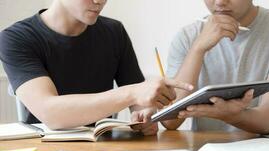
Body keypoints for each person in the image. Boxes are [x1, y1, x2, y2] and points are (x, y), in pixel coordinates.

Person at [0, 0, 193, 135]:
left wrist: (146, 113)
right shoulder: (15, 38)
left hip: (104, 149)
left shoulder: (114, 32)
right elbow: (50, 112)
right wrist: (133, 93)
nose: (100, 1)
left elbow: (140, 101)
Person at [162, 0, 269, 134]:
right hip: (204, 150)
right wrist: (197, 49)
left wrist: (233, 116)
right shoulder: (187, 37)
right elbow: (170, 121)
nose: (220, 2)